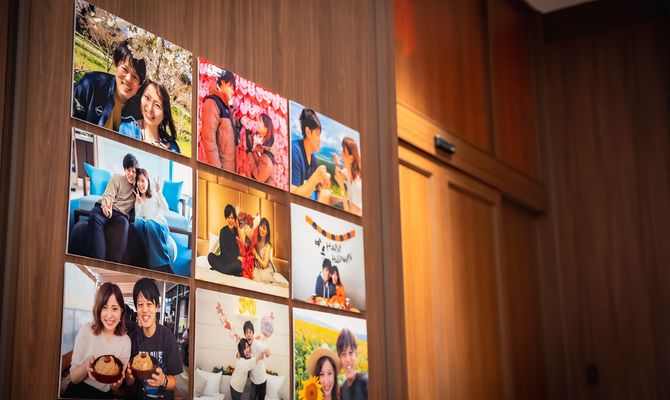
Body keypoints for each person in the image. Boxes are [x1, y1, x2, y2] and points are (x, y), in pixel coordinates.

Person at [64, 282, 130, 399]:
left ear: (122, 312)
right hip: (78, 390)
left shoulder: (125, 342)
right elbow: (74, 378)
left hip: (104, 395)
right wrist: (86, 366)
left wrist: (116, 385)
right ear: (98, 309)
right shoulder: (86, 331)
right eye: (104, 307)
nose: (109, 315)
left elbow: (114, 386)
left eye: (115, 308)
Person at [125, 278, 183, 400]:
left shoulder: (167, 338)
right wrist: (129, 378)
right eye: (140, 305)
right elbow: (129, 383)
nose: (145, 310)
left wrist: (163, 380)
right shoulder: (132, 339)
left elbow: (174, 382)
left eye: (149, 304)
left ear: (157, 306)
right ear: (136, 308)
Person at [73, 40, 146, 131]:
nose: (128, 79)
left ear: (140, 84)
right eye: (124, 69)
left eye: (135, 77)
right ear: (115, 63)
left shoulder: (140, 112)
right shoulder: (92, 83)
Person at [85, 153, 139, 263]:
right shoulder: (117, 178)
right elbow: (108, 196)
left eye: (134, 171)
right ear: (125, 170)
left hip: (120, 215)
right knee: (94, 217)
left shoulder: (138, 187)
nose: (131, 174)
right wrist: (106, 207)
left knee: (124, 223)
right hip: (106, 208)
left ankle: (114, 264)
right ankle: (98, 262)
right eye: (128, 170)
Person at [119, 79, 180, 153]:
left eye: (157, 105)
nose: (150, 108)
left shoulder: (173, 148)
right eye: (147, 98)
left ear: (164, 114)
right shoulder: (127, 129)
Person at [133, 168, 174, 274]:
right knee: (138, 222)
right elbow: (139, 224)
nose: (140, 184)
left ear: (148, 182)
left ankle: (164, 264)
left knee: (149, 223)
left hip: (161, 227)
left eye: (143, 181)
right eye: (138, 181)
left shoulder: (154, 194)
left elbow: (166, 209)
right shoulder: (137, 201)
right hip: (149, 230)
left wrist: (159, 192)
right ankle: (149, 261)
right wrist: (139, 205)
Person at [199, 70, 237, 170]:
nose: (232, 92)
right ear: (223, 82)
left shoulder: (226, 107)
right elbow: (209, 140)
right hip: (221, 170)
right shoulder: (212, 103)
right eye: (231, 87)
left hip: (229, 169)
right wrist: (216, 171)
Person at [291, 108, 329, 198]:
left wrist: (323, 181)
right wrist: (315, 178)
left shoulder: (313, 160)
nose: (320, 140)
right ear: (308, 132)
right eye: (317, 135)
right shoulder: (294, 151)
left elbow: (316, 187)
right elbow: (294, 194)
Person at [207, 204, 243, 275]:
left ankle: (224, 270)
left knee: (239, 263)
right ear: (226, 218)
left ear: (235, 219)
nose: (230, 220)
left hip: (234, 262)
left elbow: (241, 246)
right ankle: (228, 271)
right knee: (210, 256)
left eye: (232, 218)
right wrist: (235, 258)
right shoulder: (223, 231)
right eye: (228, 218)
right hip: (224, 260)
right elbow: (224, 251)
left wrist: (238, 226)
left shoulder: (237, 232)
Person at [333, 137, 362, 215]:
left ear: (351, 158)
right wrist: (337, 163)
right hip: (349, 206)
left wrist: (342, 186)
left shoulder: (358, 186)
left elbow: (349, 215)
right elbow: (338, 176)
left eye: (344, 152)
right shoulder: (348, 172)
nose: (341, 156)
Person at [336, 329, 368, 400]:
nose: (348, 359)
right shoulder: (342, 390)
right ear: (339, 359)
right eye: (343, 354)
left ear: (356, 354)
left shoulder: (366, 383)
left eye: (350, 353)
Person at [246, 113, 276, 185]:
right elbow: (252, 147)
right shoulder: (258, 138)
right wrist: (249, 132)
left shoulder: (267, 156)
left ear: (266, 128)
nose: (257, 123)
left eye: (260, 121)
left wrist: (249, 154)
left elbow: (258, 177)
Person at [244, 321, 270, 400]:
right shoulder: (245, 345)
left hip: (261, 380)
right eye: (246, 333)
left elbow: (268, 352)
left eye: (250, 332)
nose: (248, 334)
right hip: (253, 380)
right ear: (245, 334)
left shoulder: (257, 343)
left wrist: (266, 354)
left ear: (253, 333)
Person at [252, 218, 277, 284]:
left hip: (266, 268)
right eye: (261, 227)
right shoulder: (256, 241)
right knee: (254, 276)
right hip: (258, 267)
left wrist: (256, 255)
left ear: (267, 232)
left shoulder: (268, 246)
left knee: (263, 276)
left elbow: (265, 265)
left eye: (264, 228)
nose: (262, 230)